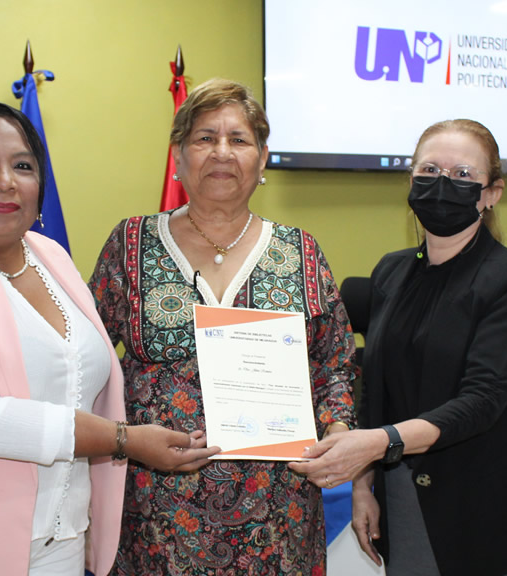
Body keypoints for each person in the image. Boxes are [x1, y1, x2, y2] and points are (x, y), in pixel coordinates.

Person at [0, 102, 217, 576]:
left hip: (61, 541)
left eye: (22, 166)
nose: (4, 180)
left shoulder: (51, 257)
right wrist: (124, 440)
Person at [90, 78, 357, 575]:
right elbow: (86, 363)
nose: (221, 152)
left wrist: (338, 429)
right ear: (178, 155)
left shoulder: (300, 251)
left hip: (279, 514)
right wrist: (119, 437)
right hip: (157, 511)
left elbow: (333, 363)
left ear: (262, 159)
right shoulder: (131, 243)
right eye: (204, 137)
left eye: (239, 139)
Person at [290, 119, 507, 576]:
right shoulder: (391, 273)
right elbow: (374, 390)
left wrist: (378, 443)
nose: (442, 185)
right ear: (410, 180)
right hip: (403, 500)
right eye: (429, 170)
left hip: (488, 513)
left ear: (492, 192)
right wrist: (362, 486)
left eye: (462, 175)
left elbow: (481, 402)